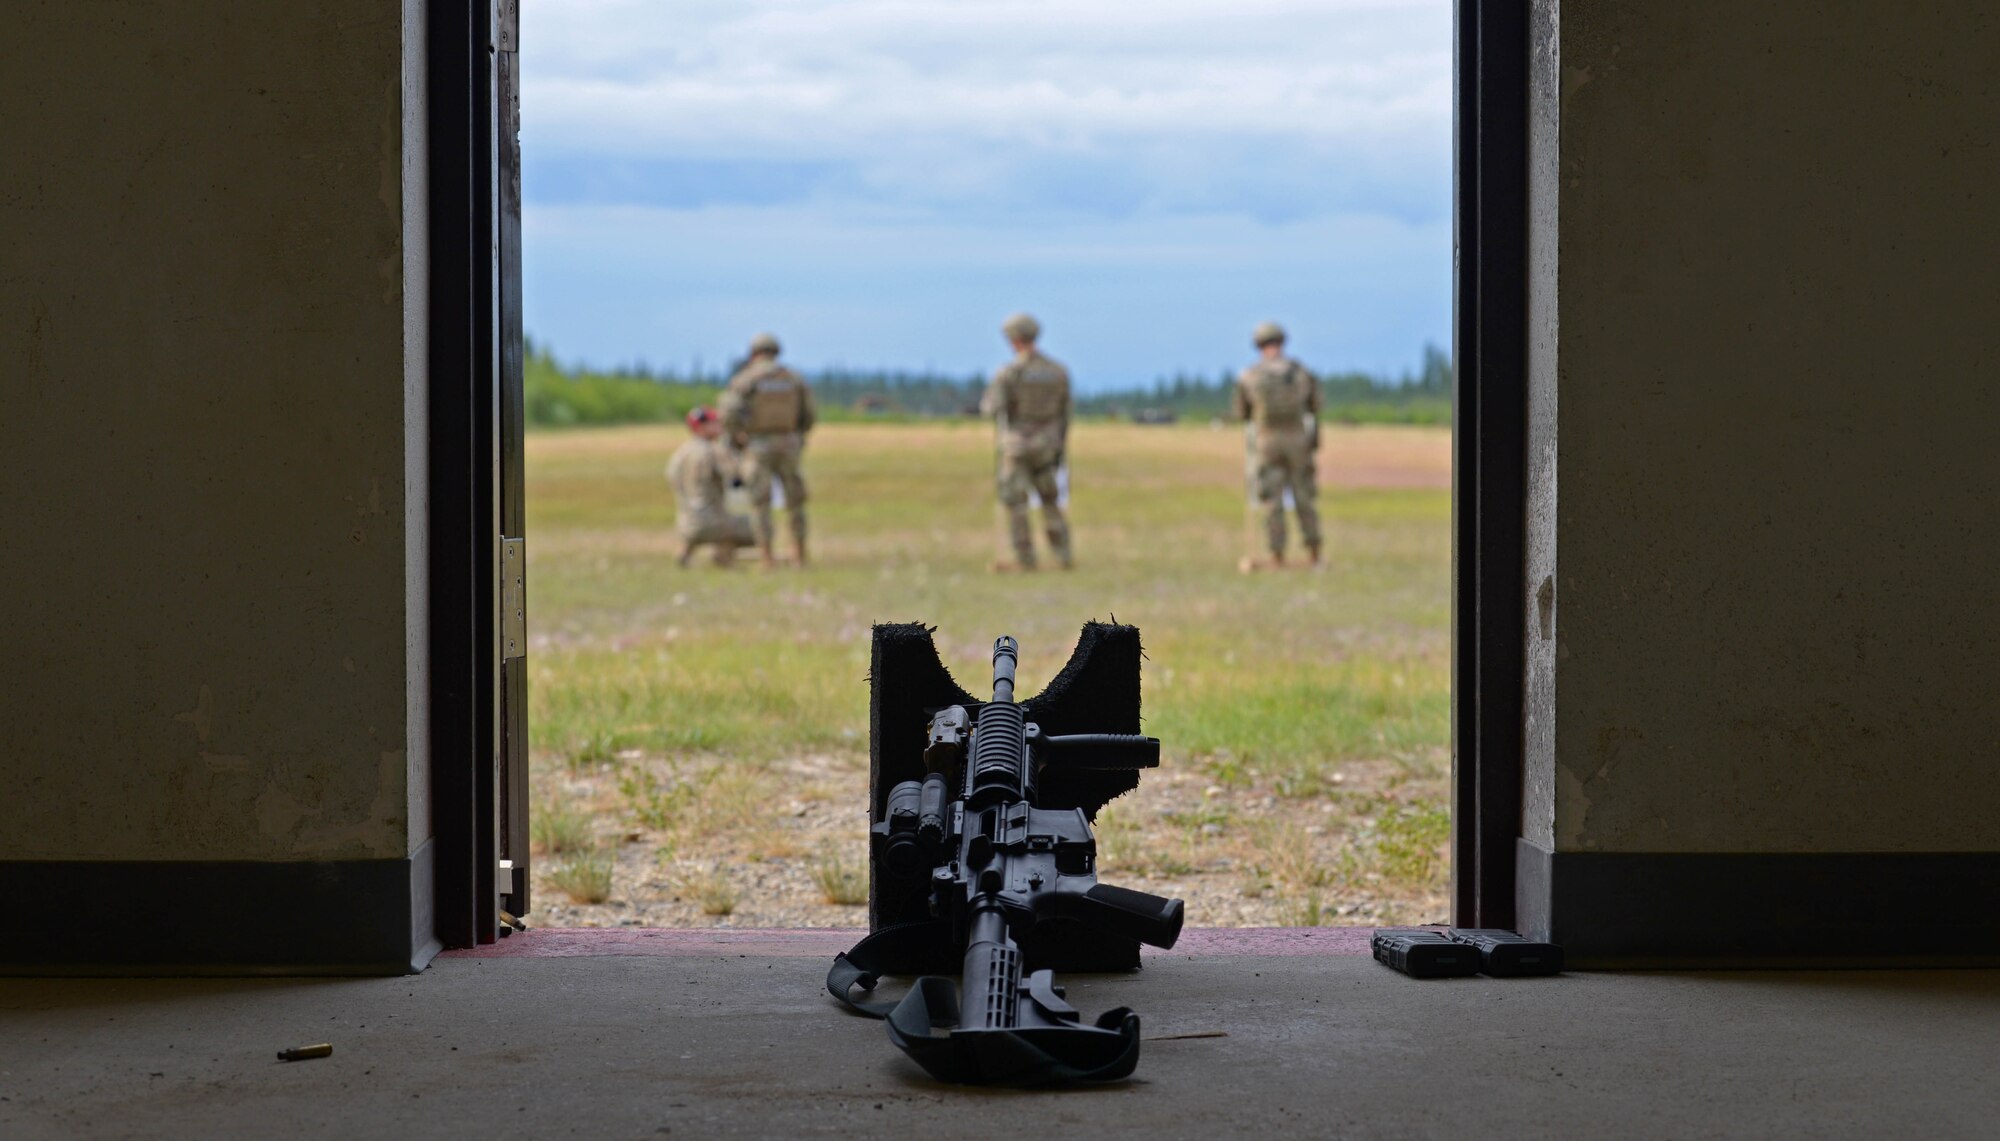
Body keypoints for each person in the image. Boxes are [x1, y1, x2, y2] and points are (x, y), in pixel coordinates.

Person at [980, 313, 1074, 571]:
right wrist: (1059, 446)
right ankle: (1063, 554)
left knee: (1016, 503)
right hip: (1048, 445)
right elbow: (1065, 413)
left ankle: (1025, 558)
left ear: (1015, 340)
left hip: (1017, 445)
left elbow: (992, 407)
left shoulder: (1010, 373)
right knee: (1051, 501)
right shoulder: (1058, 373)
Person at [719, 332, 816, 568]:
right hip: (789, 445)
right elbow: (809, 415)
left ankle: (767, 557)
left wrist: (737, 438)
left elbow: (728, 413)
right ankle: (798, 555)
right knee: (795, 502)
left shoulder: (746, 379)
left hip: (757, 446)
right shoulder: (793, 379)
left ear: (753, 353)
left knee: (760, 503)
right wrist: (797, 437)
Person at [1233, 321, 1322, 571]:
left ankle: (1277, 556)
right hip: (1298, 440)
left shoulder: (1250, 375)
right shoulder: (1300, 372)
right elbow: (1315, 406)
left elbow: (1242, 412)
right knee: (1304, 496)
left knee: (1272, 500)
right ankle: (1314, 553)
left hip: (1267, 440)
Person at [665, 406, 757, 568]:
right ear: (702, 427)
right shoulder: (714, 450)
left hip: (685, 522)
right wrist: (743, 449)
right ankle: (723, 555)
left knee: (699, 517)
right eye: (714, 423)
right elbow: (737, 478)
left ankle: (684, 552)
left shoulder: (680, 454)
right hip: (711, 520)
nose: (719, 426)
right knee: (755, 526)